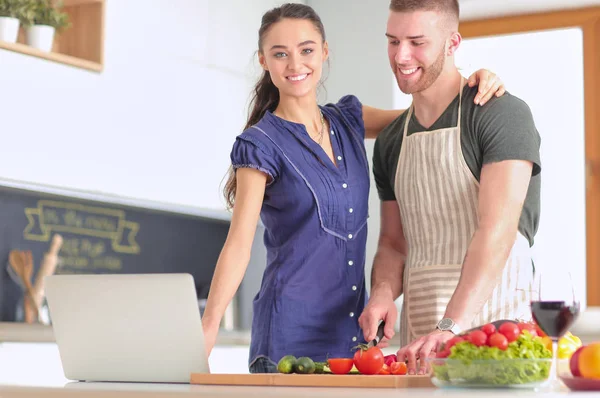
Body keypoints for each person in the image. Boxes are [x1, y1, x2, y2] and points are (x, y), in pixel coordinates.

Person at [201, 3, 506, 374]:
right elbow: (238, 244)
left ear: (325, 52)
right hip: (287, 337)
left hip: (353, 337)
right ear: (264, 61)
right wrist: (208, 327)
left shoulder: (348, 119)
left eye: (306, 50)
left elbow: (429, 114)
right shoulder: (260, 144)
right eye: (280, 54)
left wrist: (476, 86)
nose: (295, 64)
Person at [358, 0, 542, 376]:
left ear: (452, 43)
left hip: (500, 336)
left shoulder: (501, 114)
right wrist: (381, 293)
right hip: (420, 345)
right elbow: (394, 244)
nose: (401, 55)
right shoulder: (392, 141)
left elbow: (497, 232)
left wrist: (450, 327)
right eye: (393, 41)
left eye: (416, 42)